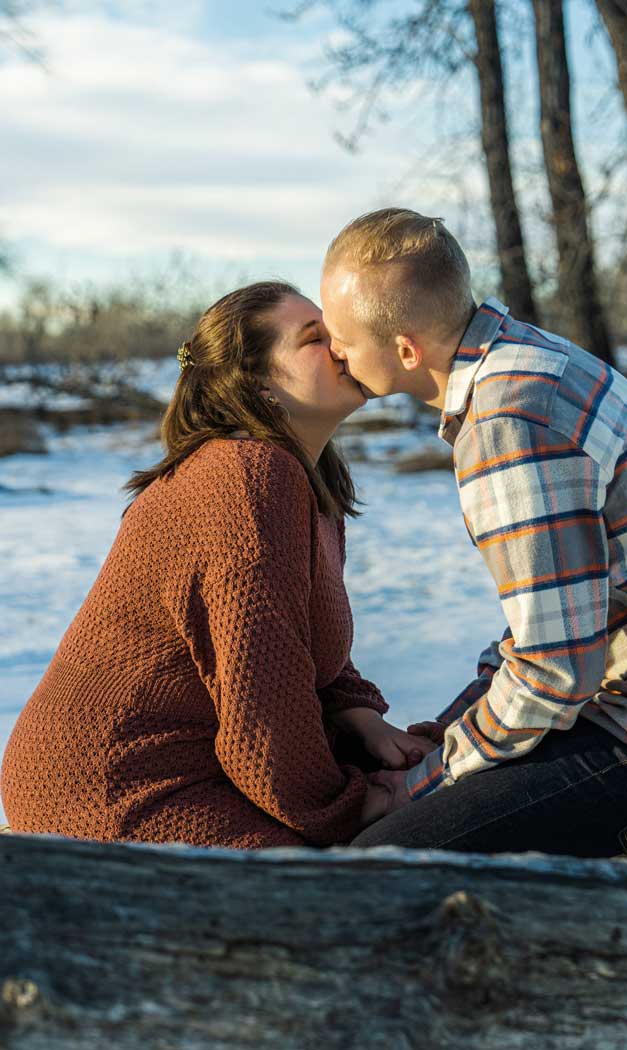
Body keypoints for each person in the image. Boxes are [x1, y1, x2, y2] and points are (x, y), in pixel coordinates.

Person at [319, 207, 627, 857]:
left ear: (406, 350)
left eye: (342, 339)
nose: (334, 352)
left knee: (378, 863)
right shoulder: (529, 358)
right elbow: (556, 617)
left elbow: (556, 670)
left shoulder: (508, 422)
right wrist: (453, 727)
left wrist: (423, 782)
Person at [0, 280, 434, 849]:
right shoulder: (245, 479)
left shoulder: (305, 480)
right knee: (340, 891)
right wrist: (345, 809)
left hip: (194, 764)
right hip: (114, 782)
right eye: (315, 338)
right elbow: (263, 696)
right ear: (257, 383)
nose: (342, 344)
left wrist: (361, 717)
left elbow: (295, 639)